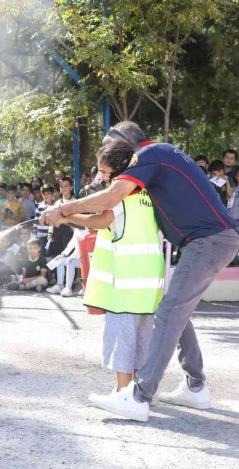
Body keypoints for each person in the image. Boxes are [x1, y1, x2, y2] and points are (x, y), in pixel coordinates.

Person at [41, 121, 239, 423]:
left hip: (209, 240)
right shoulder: (159, 158)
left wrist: (65, 208)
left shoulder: (148, 155)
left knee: (170, 312)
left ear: (128, 145)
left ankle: (139, 396)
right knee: (176, 312)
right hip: (211, 240)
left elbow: (109, 200)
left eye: (111, 146)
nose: (109, 154)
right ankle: (195, 386)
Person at [63, 140, 164, 394]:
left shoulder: (122, 193)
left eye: (105, 171)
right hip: (150, 280)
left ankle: (123, 393)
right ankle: (141, 394)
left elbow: (100, 220)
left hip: (126, 281)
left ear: (119, 170)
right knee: (144, 339)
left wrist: (64, 215)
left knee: (124, 338)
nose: (101, 176)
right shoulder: (148, 192)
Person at [45, 227, 88, 297]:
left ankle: (68, 288)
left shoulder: (87, 231)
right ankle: (59, 286)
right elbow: (71, 244)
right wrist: (63, 254)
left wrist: (72, 256)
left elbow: (82, 247)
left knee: (70, 262)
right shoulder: (76, 231)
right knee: (60, 261)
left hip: (86, 259)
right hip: (77, 258)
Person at [47, 177, 76, 257]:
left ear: (71, 187)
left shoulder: (75, 202)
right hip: (57, 231)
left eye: (66, 186)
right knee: (58, 253)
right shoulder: (57, 203)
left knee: (69, 253)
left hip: (69, 231)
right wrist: (50, 233)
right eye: (61, 186)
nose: (64, 188)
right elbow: (52, 219)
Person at [35, 185, 55, 249]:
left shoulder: (56, 205)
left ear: (53, 193)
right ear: (42, 194)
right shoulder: (39, 206)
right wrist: (34, 233)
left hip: (52, 235)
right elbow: (36, 220)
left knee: (51, 252)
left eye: (48, 193)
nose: (46, 196)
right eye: (44, 194)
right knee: (42, 252)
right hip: (41, 234)